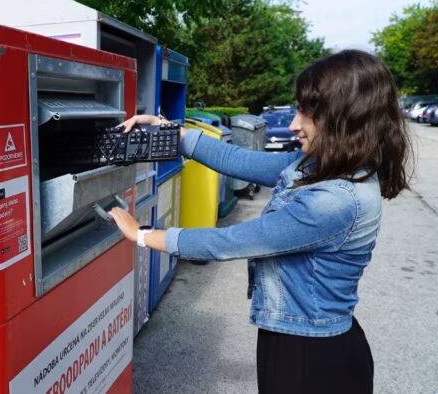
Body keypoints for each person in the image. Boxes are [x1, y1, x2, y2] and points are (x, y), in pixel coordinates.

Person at [109, 49, 413, 394]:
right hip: (297, 338)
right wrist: (173, 132)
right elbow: (241, 160)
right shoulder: (318, 166)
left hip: (313, 359)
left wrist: (144, 235)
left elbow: (232, 240)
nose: (295, 124)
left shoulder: (335, 200)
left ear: (348, 119)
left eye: (308, 113)